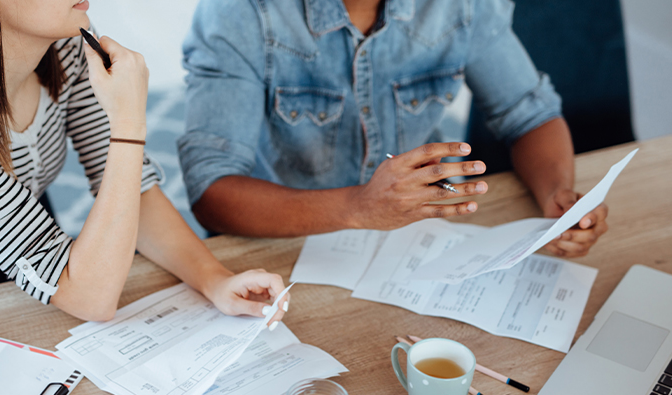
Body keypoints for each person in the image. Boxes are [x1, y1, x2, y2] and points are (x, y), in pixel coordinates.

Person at [0, 0, 288, 327]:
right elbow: (90, 298)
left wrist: (215, 279)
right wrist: (128, 122)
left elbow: (131, 186)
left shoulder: (65, 41)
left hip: (23, 221)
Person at [178, 0, 608, 258]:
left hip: (411, 241)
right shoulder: (239, 12)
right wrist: (360, 207)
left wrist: (558, 196)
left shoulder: (458, 6)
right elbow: (211, 191)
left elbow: (530, 115)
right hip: (279, 237)